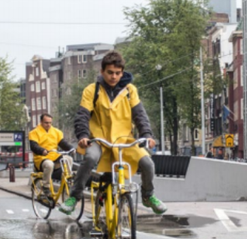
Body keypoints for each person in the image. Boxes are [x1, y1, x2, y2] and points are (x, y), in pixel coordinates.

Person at [60, 50, 167, 215]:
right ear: (102, 72)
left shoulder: (130, 90)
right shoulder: (92, 90)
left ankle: (148, 195)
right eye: (110, 73)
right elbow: (82, 115)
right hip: (99, 140)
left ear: (122, 73)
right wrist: (82, 136)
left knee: (148, 164)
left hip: (124, 141)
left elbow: (140, 115)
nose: (114, 77)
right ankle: (74, 196)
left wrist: (146, 135)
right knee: (89, 158)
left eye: (118, 73)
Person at [28, 114, 74, 199]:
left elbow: (62, 143)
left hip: (54, 155)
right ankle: (46, 187)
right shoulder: (34, 132)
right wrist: (42, 151)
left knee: (68, 159)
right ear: (41, 122)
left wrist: (71, 148)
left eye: (50, 123)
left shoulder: (56, 131)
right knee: (49, 164)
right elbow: (33, 146)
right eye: (46, 123)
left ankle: (68, 180)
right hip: (42, 158)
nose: (48, 124)